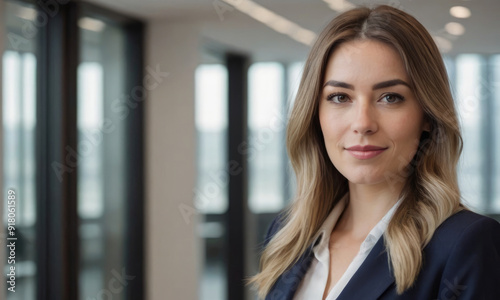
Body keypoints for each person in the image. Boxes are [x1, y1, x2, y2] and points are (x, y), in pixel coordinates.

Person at [248, 5, 500, 300]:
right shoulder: (287, 234)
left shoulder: (465, 243)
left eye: (390, 97)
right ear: (315, 114)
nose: (363, 123)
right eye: (340, 97)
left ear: (428, 116)